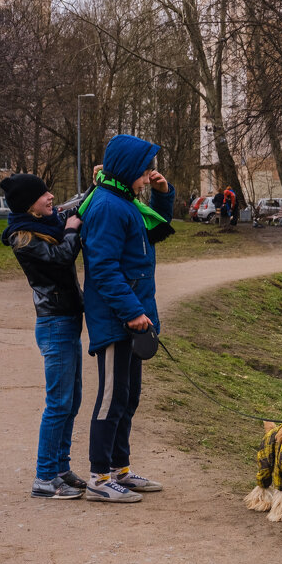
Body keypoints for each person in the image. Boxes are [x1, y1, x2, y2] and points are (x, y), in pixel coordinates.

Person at [79, 135, 175, 503]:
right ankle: (99, 478)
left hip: (135, 317)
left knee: (128, 396)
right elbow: (102, 270)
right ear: (128, 169)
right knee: (110, 398)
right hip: (117, 320)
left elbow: (153, 228)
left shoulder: (126, 201)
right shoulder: (107, 206)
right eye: (146, 169)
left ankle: (119, 469)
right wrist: (133, 313)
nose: (150, 174)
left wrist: (164, 192)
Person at [0, 173, 87, 500]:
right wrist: (71, 231)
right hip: (55, 324)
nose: (51, 197)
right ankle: (45, 477)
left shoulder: (46, 225)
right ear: (29, 205)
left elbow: (74, 209)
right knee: (58, 403)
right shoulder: (23, 237)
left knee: (72, 400)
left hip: (67, 320)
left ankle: (60, 468)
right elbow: (61, 257)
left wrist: (97, 183)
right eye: (43, 195)